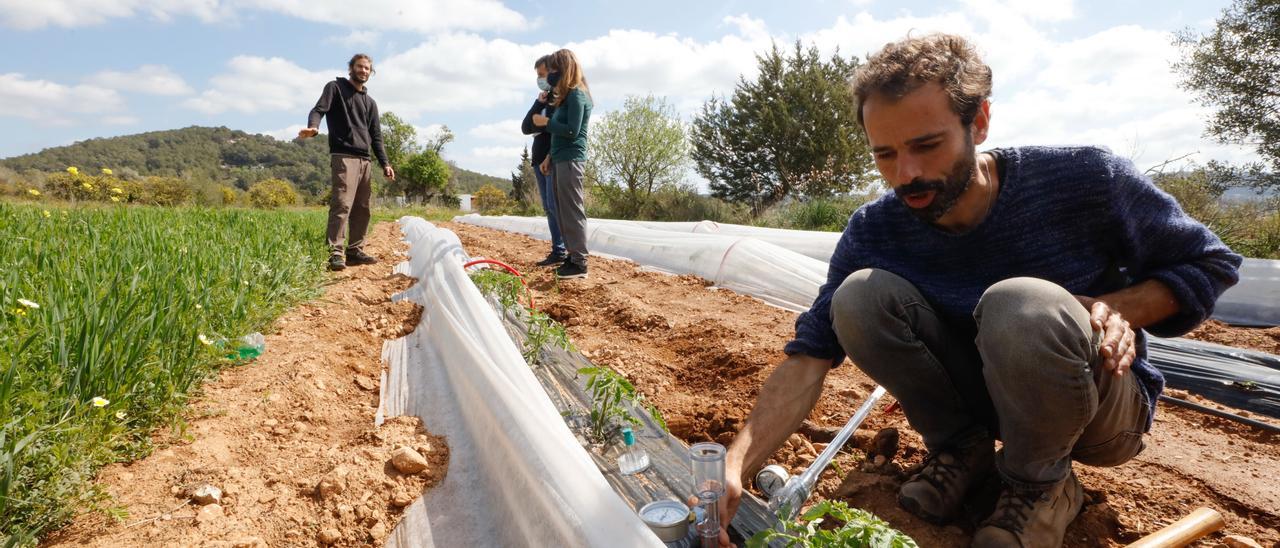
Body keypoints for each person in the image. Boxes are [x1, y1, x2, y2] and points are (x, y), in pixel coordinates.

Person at [717, 33, 1241, 548]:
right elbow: (809, 357)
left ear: (980, 122)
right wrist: (735, 463)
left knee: (1021, 303)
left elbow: (1211, 261)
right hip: (985, 395)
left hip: (1095, 409)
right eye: (886, 155)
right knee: (857, 297)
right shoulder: (877, 229)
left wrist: (1121, 307)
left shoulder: (1084, 180)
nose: (908, 174)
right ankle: (962, 452)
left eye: (927, 145)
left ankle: (1041, 487)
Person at [298, 53, 395, 272]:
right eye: (360, 67)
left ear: (371, 72)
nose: (363, 71)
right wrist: (313, 128)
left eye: (367, 68)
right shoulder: (335, 88)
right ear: (351, 68)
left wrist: (385, 163)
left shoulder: (370, 103)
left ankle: (355, 250)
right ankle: (335, 252)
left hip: (365, 160)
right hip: (344, 157)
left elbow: (376, 136)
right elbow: (318, 110)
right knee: (342, 204)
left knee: (363, 208)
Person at [531, 48, 592, 280]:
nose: (550, 74)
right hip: (559, 159)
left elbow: (571, 131)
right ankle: (572, 256)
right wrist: (548, 158)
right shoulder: (566, 97)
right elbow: (559, 136)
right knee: (561, 210)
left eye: (554, 69)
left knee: (572, 210)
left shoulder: (577, 95)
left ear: (565, 69)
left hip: (571, 160)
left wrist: (546, 122)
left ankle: (580, 262)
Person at [521, 54, 568, 267]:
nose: (540, 79)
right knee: (549, 207)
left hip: (550, 159)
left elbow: (553, 129)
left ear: (552, 72)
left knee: (555, 205)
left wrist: (548, 155)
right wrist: (536, 104)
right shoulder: (544, 100)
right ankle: (558, 250)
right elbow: (526, 127)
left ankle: (565, 250)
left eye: (542, 74)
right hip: (537, 159)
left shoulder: (559, 100)